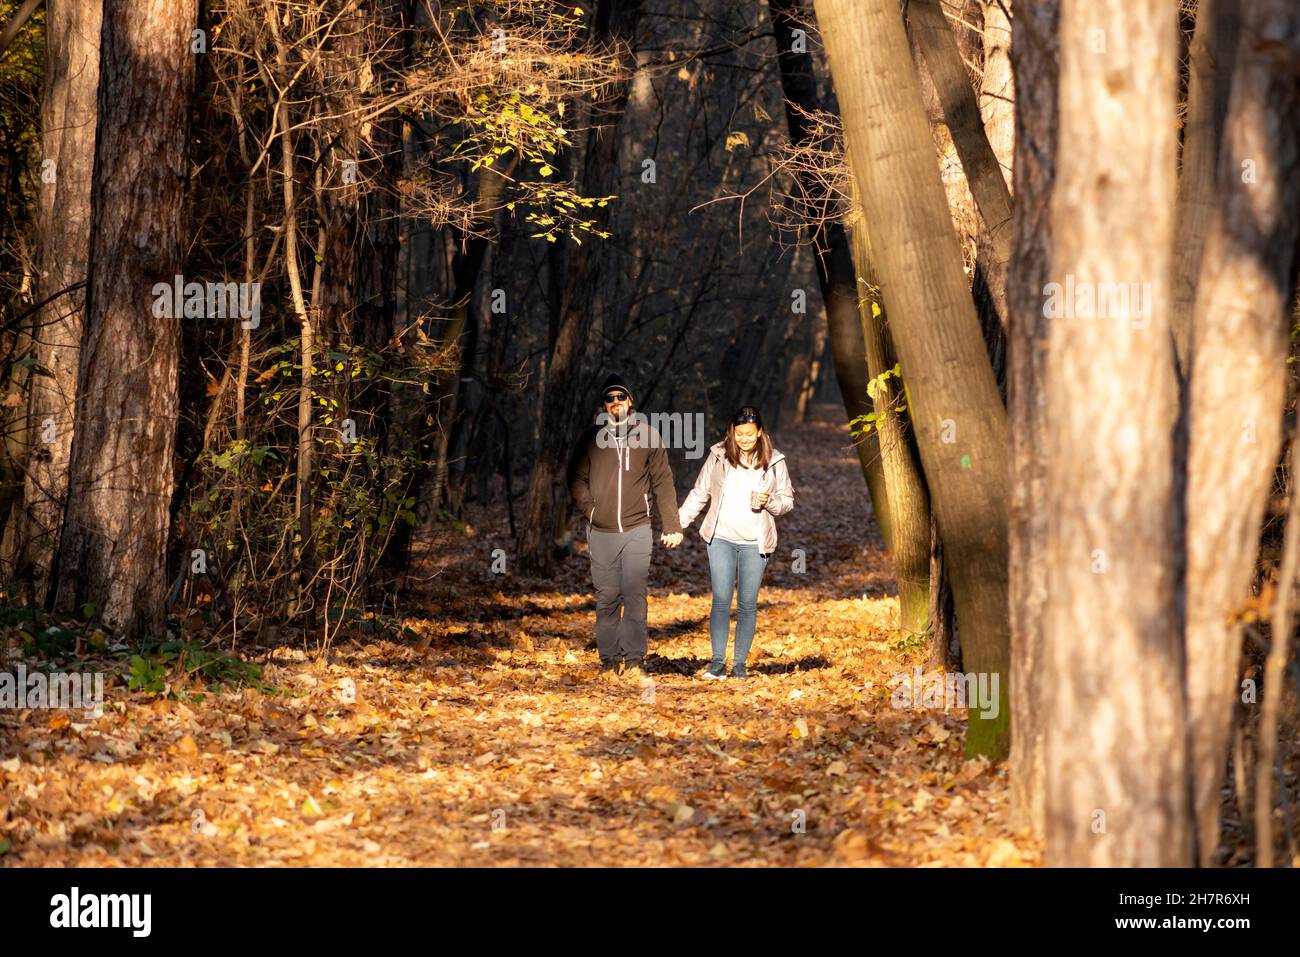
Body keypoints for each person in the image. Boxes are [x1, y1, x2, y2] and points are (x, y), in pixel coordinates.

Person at [568, 373, 683, 679]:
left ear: (631, 401)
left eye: (621, 397)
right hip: (601, 530)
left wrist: (672, 524)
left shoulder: (648, 436)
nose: (616, 402)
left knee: (634, 593)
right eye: (610, 398)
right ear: (604, 405)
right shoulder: (590, 438)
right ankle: (608, 661)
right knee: (607, 597)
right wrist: (591, 511)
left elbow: (663, 482)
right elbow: (575, 479)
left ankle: (633, 661)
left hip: (637, 528)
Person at [678, 406, 793, 679]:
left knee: (747, 603)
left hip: (756, 542)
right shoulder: (718, 456)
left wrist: (769, 501)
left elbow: (787, 501)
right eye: (739, 434)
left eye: (749, 434)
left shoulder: (775, 461)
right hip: (721, 538)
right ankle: (717, 662)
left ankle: (740, 664)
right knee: (720, 599)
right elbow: (700, 492)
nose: (744, 439)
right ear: (732, 432)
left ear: (760, 432)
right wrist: (678, 523)